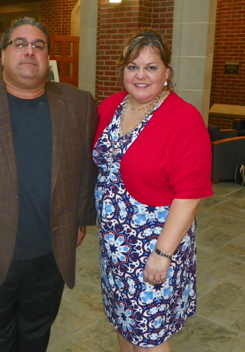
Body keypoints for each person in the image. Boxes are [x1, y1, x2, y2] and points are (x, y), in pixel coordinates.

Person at [0, 17, 98, 351]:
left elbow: (86, 165)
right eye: (20, 44)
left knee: (36, 333)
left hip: (51, 251)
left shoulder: (78, 103)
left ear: (47, 57)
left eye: (38, 45)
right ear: (2, 55)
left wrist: (80, 217)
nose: (30, 51)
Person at [92, 28, 213, 352]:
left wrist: (162, 254)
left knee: (149, 334)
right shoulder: (112, 107)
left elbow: (190, 193)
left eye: (151, 67)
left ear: (167, 72)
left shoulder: (183, 118)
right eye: (133, 66)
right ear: (123, 71)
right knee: (123, 319)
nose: (140, 75)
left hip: (155, 245)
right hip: (116, 248)